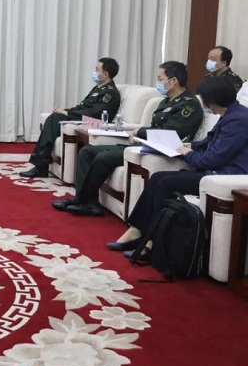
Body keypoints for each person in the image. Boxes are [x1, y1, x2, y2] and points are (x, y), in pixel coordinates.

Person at [106, 76, 248, 260]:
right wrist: (189, 146)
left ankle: (150, 242)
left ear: (211, 101)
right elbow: (208, 143)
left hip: (223, 177)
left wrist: (187, 154)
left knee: (165, 182)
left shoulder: (238, 120)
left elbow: (213, 159)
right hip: (213, 172)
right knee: (158, 178)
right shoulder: (231, 114)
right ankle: (136, 231)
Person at [53, 61, 204, 216]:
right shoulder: (166, 100)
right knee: (87, 152)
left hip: (161, 151)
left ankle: (82, 201)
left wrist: (139, 132)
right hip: (146, 145)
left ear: (173, 81)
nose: (157, 82)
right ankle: (86, 201)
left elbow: (169, 133)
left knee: (103, 157)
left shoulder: (189, 105)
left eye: (160, 79)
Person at [20, 58, 121, 177]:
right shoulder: (98, 88)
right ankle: (42, 162)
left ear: (105, 74)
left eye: (97, 69)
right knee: (55, 117)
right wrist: (67, 111)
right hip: (85, 118)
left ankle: (41, 164)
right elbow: (82, 107)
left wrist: (67, 113)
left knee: (55, 118)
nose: (94, 72)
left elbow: (94, 113)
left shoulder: (110, 92)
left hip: (95, 123)